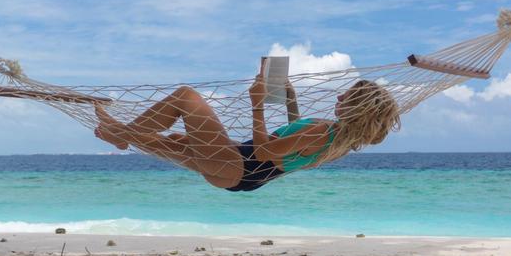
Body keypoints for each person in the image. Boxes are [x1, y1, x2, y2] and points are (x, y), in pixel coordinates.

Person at [94, 75, 400, 191]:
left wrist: (257, 105)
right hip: (240, 174)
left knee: (186, 97)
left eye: (346, 97)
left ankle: (122, 134)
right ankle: (124, 135)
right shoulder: (339, 141)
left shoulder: (324, 131)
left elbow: (265, 151)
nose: (339, 98)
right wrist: (290, 98)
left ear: (357, 110)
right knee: (178, 140)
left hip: (240, 164)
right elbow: (291, 146)